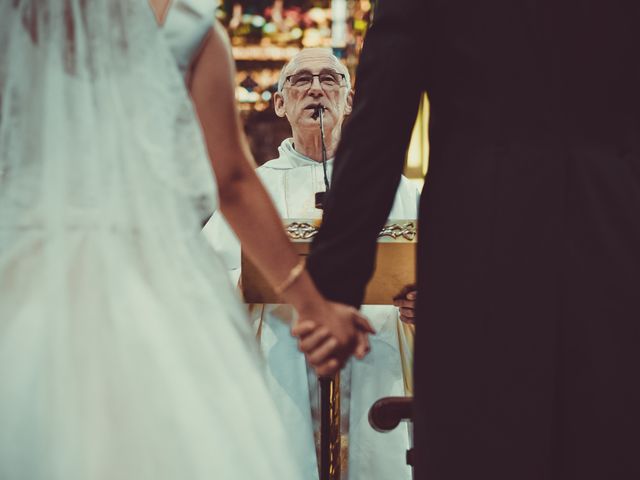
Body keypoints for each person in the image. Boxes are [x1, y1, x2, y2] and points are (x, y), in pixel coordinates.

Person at [0, 1, 371, 479]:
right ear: (281, 101)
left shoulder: (15, 20)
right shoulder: (189, 31)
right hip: (144, 273)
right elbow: (232, 181)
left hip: (21, 264)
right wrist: (311, 303)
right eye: (301, 80)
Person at [303, 1, 640, 480]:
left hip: (482, 245)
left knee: (486, 449)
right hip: (618, 237)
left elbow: (381, 120)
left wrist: (333, 289)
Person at [204, 47, 418, 480]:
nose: (317, 88)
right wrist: (246, 281)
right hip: (282, 360)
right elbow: (201, 281)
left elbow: (439, 278)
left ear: (350, 99)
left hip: (374, 358)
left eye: (330, 79)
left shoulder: (393, 186)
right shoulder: (255, 190)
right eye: (301, 80)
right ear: (280, 103)